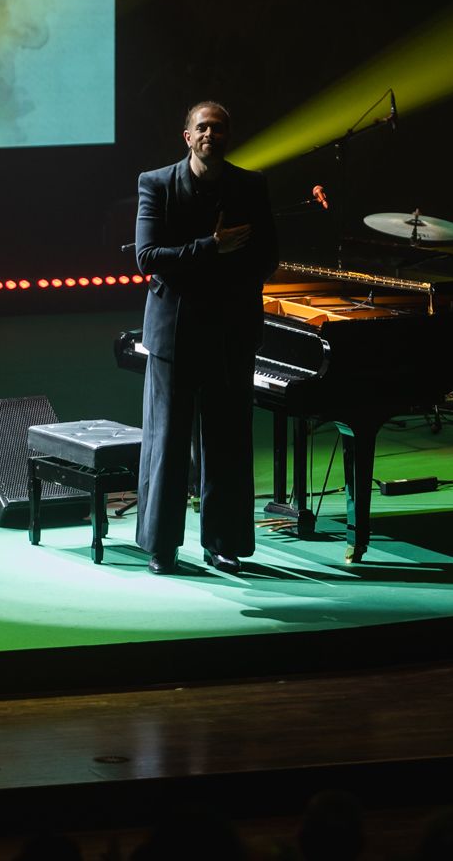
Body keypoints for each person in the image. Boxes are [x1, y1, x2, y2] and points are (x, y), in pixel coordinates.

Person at [134, 101, 278, 574]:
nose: (210, 134)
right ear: (187, 136)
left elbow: (267, 257)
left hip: (230, 329)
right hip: (174, 333)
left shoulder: (251, 186)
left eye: (218, 128)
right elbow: (148, 257)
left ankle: (223, 542)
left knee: (228, 443)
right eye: (203, 128)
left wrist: (216, 266)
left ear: (228, 136)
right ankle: (162, 546)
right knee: (167, 440)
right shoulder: (156, 184)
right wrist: (211, 249)